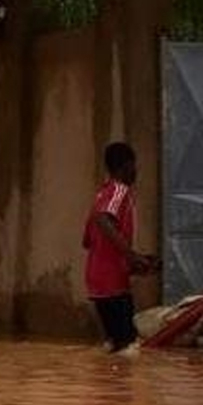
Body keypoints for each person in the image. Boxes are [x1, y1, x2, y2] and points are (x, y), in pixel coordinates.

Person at [83, 142, 158, 354]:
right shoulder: (119, 190)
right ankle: (121, 387)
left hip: (96, 282)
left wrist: (134, 262)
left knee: (113, 346)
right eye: (134, 166)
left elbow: (90, 242)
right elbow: (103, 220)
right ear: (126, 166)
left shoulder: (101, 194)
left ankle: (108, 385)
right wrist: (132, 256)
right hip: (112, 283)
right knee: (130, 346)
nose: (136, 172)